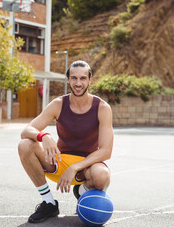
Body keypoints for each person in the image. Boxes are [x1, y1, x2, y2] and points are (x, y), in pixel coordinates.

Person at [18, 60, 114, 223]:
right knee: (25, 144)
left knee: (103, 177)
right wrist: (45, 136)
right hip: (60, 161)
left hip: (87, 165)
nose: (78, 83)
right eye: (74, 78)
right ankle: (49, 203)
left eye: (83, 78)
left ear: (90, 80)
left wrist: (75, 167)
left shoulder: (102, 108)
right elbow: (26, 131)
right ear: (68, 80)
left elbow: (106, 151)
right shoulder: (58, 104)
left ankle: (82, 193)